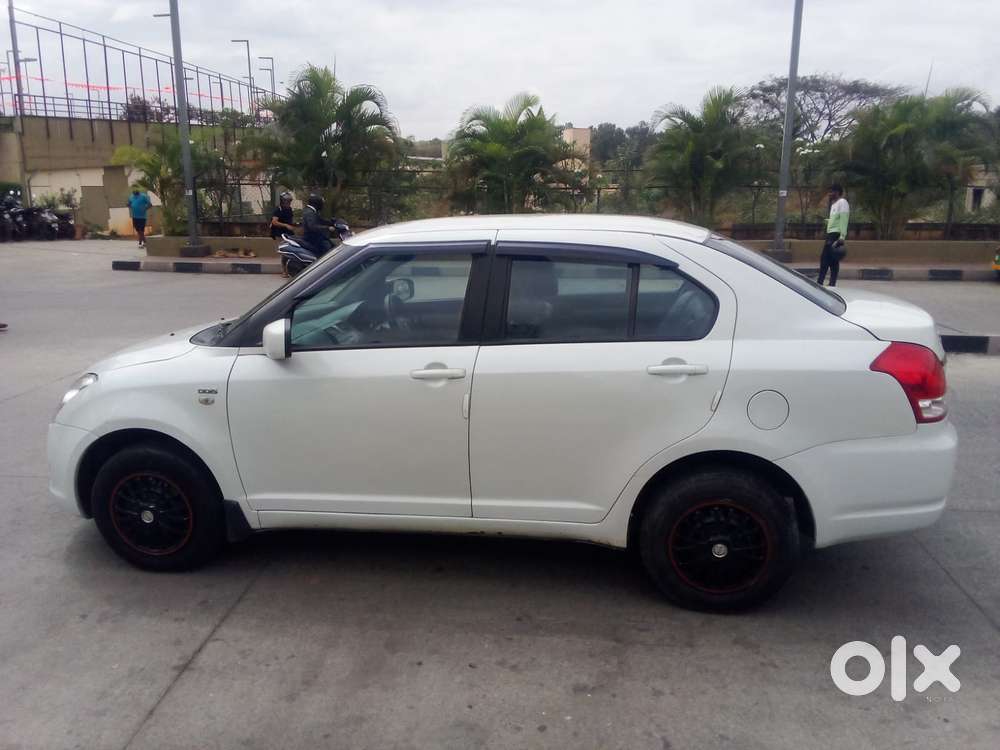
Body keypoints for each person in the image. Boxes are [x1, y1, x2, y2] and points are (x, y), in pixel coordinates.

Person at [818, 184, 850, 287]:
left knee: (825, 259)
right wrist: (828, 221)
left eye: (831, 192)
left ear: (837, 192)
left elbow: (844, 219)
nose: (829, 194)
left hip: (835, 235)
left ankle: (820, 282)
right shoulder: (833, 205)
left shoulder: (842, 202)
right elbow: (835, 220)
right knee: (833, 260)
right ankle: (832, 283)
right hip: (831, 234)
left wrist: (842, 237)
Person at [270, 191, 297, 277]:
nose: (288, 203)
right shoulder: (278, 210)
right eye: (286, 201)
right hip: (280, 233)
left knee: (290, 251)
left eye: (289, 201)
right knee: (284, 252)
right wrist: (285, 225)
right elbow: (274, 222)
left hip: (288, 233)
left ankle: (290, 269)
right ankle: (284, 271)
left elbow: (290, 221)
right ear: (282, 201)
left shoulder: (289, 209)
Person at [301, 193, 336, 257]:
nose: (322, 205)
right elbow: (312, 227)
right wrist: (328, 228)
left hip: (315, 236)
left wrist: (332, 221)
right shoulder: (310, 212)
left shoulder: (312, 211)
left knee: (330, 244)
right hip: (312, 237)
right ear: (317, 203)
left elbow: (320, 220)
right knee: (327, 249)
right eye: (321, 203)